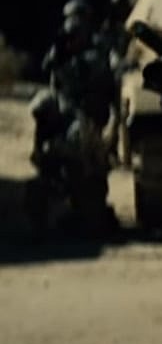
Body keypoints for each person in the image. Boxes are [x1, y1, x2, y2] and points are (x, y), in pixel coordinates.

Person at [30, 16, 118, 238]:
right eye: (69, 37)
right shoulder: (62, 55)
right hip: (65, 119)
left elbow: (82, 75)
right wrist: (58, 52)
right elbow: (47, 68)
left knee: (92, 217)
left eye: (75, 36)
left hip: (88, 125)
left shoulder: (94, 56)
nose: (71, 41)